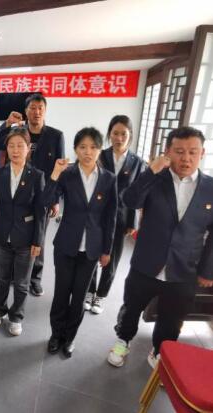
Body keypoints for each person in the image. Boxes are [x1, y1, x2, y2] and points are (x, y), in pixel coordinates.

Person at [107, 126, 213, 368]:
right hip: (146, 263)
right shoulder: (155, 178)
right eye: (179, 151)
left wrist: (208, 270)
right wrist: (151, 172)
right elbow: (129, 200)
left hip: (184, 268)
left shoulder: (210, 188)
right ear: (168, 152)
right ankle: (123, 340)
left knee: (173, 318)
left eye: (193, 152)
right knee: (131, 307)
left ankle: (159, 350)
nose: (186, 158)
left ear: (202, 153)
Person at [43, 127, 117, 358]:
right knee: (61, 294)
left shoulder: (108, 179)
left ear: (100, 150)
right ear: (75, 149)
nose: (88, 152)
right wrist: (55, 174)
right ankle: (56, 335)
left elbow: (111, 217)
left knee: (79, 298)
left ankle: (70, 337)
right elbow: (46, 201)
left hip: (91, 249)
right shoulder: (67, 174)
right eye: (83, 147)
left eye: (93, 147)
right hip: (66, 245)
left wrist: (107, 250)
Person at [0, 94, 65, 297]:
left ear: (45, 111)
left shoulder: (56, 136)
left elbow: (60, 168)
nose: (36, 112)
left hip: (42, 196)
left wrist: (55, 199)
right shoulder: (17, 132)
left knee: (38, 237)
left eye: (40, 108)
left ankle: (35, 279)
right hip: (16, 194)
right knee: (13, 236)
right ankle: (14, 275)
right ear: (26, 111)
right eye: (32, 108)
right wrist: (7, 123)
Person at [0, 127, 46, 336]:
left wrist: (38, 241)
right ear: (6, 149)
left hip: (26, 237)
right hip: (2, 235)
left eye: (20, 146)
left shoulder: (37, 175)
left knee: (22, 283)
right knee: (1, 278)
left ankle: (16, 317)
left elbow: (41, 211)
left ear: (28, 148)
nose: (15, 150)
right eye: (11, 146)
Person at [85, 115, 146, 314]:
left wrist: (132, 222)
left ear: (130, 135)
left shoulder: (137, 162)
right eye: (115, 133)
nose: (119, 138)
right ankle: (89, 291)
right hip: (98, 214)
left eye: (124, 134)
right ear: (109, 134)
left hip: (121, 217)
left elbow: (138, 194)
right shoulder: (100, 156)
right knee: (92, 253)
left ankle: (101, 295)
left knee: (112, 258)